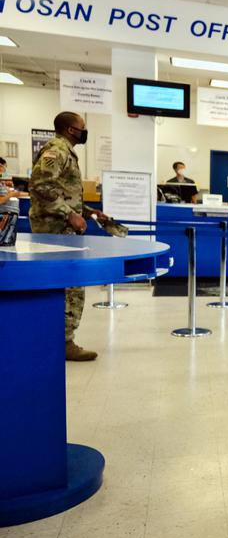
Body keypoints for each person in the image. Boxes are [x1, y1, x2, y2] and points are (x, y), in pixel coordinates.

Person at [29, 111, 111, 362]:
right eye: (82, 127)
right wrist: (69, 215)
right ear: (69, 129)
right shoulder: (58, 151)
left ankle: (56, 339)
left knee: (64, 285)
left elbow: (63, 194)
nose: (84, 131)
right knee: (71, 286)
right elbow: (41, 186)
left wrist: (88, 212)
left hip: (61, 227)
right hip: (55, 230)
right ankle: (63, 342)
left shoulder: (64, 151)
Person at [0, 157, 24, 246]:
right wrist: (11, 195)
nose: (5, 170)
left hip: (11, 215)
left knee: (8, 243)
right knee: (3, 243)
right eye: (4, 167)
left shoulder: (5, 182)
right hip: (4, 216)